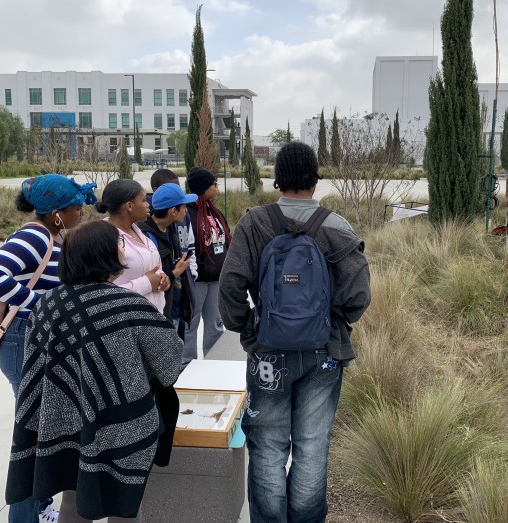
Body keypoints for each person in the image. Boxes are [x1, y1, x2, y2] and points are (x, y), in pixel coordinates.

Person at [219, 142, 371, 522]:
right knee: (312, 445)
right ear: (315, 180)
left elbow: (231, 285)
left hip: (268, 351)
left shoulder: (255, 223)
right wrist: (334, 321)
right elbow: (359, 295)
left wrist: (247, 330)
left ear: (277, 180)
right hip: (324, 352)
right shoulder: (337, 227)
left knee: (268, 445)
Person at [5, 220, 183, 522]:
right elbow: (170, 366)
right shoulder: (130, 306)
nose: (122, 248)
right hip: (123, 423)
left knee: (73, 501)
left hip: (62, 421)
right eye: (119, 243)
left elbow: (39, 369)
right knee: (124, 503)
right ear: (104, 254)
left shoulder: (48, 304)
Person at [0, 174, 97, 523]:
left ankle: (39, 507)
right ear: (57, 212)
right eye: (76, 208)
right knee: (34, 439)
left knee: (42, 434)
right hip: (25, 341)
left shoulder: (49, 235)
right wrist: (37, 304)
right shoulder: (35, 235)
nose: (81, 213)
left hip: (35, 342)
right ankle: (25, 516)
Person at [95, 179, 170, 309]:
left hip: (153, 319)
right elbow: (101, 294)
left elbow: (154, 268)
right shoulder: (104, 240)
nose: (148, 205)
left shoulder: (139, 231)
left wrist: (163, 279)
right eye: (143, 200)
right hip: (127, 323)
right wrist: (146, 283)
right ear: (129, 206)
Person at [185, 167, 230, 364]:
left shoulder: (213, 210)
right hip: (198, 280)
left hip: (216, 278)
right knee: (191, 324)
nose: (217, 188)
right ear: (203, 188)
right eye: (213, 184)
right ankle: (186, 365)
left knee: (215, 323)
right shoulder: (188, 213)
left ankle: (214, 363)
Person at [139, 183, 197, 330]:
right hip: (162, 314)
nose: (186, 211)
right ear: (173, 210)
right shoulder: (146, 237)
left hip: (177, 307)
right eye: (184, 206)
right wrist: (176, 272)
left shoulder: (170, 227)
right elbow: (152, 281)